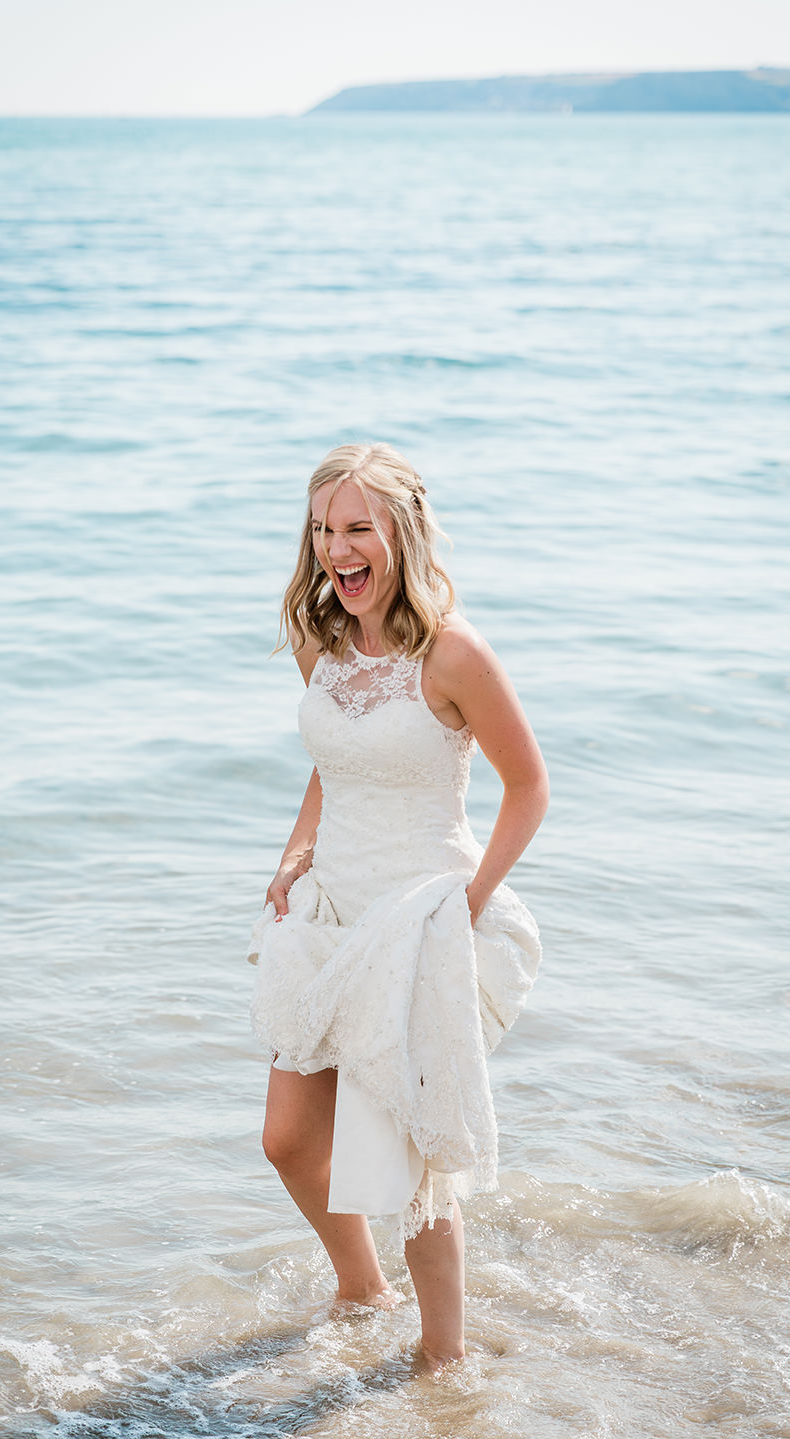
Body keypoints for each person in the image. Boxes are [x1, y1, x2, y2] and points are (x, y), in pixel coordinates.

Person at [249, 443, 548, 1372]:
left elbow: (529, 787)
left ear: (403, 534)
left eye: (357, 529)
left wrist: (469, 903)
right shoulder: (321, 642)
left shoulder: (453, 653)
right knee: (288, 1141)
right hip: (333, 912)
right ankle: (361, 1286)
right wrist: (295, 855)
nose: (336, 550)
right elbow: (335, 763)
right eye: (322, 530)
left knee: (413, 1165)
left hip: (424, 921)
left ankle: (441, 1364)